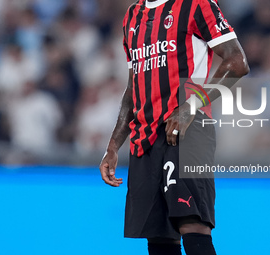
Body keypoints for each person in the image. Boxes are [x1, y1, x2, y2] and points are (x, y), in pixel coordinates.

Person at [100, 0, 249, 254]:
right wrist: (113, 145)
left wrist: (192, 106)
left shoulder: (196, 5)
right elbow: (133, 86)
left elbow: (238, 63)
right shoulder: (133, 16)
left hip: (188, 129)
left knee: (192, 225)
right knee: (159, 237)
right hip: (144, 138)